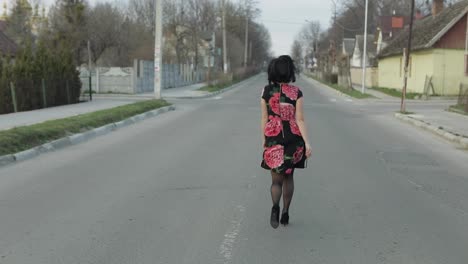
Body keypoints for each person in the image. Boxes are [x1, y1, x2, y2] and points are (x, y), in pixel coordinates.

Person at [260, 55, 312, 229]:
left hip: (273, 138)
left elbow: (264, 119)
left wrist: (264, 140)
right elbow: (300, 119)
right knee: (289, 177)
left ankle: (274, 206)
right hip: (292, 140)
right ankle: (285, 213)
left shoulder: (266, 92)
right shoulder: (296, 93)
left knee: (276, 181)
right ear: (290, 72)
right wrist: (307, 143)